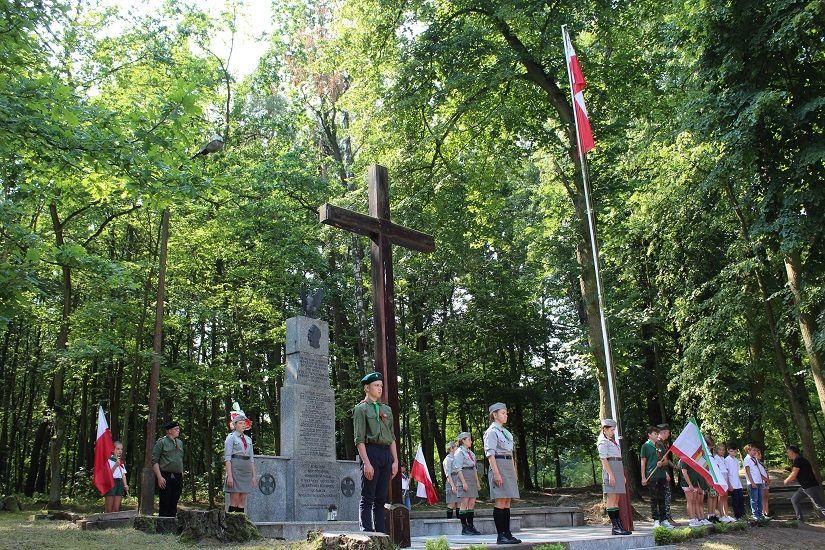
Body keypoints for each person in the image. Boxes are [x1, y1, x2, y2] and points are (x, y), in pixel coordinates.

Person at [353, 371, 398, 534]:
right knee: (368, 497)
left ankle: (381, 534)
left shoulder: (386, 409)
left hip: (386, 454)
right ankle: (366, 531)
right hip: (371, 453)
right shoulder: (361, 409)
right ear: (367, 388)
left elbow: (392, 437)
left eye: (381, 386)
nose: (380, 389)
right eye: (376, 386)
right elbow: (359, 439)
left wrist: (395, 461)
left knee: (381, 498)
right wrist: (366, 463)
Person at [484, 402, 522, 544]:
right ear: (495, 415)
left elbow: (510, 453)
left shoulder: (505, 432)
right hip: (498, 464)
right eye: (503, 413)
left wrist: (514, 471)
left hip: (508, 465)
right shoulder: (492, 432)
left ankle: (507, 533)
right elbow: (490, 454)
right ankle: (501, 536)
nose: (506, 415)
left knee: (507, 501)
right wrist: (496, 473)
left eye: (506, 413)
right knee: (500, 500)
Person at [597, 418, 631, 536]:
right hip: (610, 470)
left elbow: (618, 459)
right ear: (604, 430)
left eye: (614, 429)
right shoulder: (603, 442)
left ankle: (619, 526)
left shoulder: (611, 441)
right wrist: (611, 475)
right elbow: (604, 459)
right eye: (611, 430)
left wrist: (621, 474)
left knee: (616, 500)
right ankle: (615, 526)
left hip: (617, 469)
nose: (613, 432)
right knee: (611, 500)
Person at [223, 412, 256, 514]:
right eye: (241, 423)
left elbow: (251, 459)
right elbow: (227, 457)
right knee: (235, 500)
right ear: (235, 424)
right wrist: (229, 475)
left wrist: (254, 476)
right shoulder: (231, 437)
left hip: (246, 471)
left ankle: (240, 526)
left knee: (242, 501)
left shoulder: (248, 439)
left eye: (244, 423)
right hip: (235, 469)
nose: (243, 425)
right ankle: (231, 526)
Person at [783, 445, 825, 522]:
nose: (787, 454)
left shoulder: (798, 460)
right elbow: (812, 472)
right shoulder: (802, 459)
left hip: (810, 486)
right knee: (794, 499)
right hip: (805, 487)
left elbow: (794, 474)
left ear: (792, 452)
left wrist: (786, 481)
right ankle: (800, 519)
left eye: (788, 452)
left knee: (820, 506)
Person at [152, 420, 184, 517]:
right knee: (165, 501)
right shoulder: (161, 442)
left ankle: (172, 525)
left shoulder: (179, 442)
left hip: (177, 475)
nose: (178, 431)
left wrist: (181, 472)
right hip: (165, 475)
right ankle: (162, 527)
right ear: (169, 431)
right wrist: (159, 477)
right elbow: (154, 461)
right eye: (176, 429)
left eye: (178, 429)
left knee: (174, 501)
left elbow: (180, 459)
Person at [452, 431, 481, 536]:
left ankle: (471, 526)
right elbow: (458, 469)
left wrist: (477, 482)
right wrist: (463, 482)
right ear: (463, 441)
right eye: (469, 439)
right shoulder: (459, 452)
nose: (471, 441)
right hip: (464, 476)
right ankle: (464, 527)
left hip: (472, 477)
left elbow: (474, 468)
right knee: (464, 503)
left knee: (472, 503)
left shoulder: (471, 453)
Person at [640, 426, 668, 528]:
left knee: (662, 497)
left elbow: (666, 460)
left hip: (661, 475)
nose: (657, 435)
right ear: (649, 435)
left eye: (657, 434)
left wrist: (662, 463)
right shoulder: (645, 446)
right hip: (652, 475)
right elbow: (643, 462)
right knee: (654, 498)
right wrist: (643, 477)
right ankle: (656, 520)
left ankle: (664, 519)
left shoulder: (660, 445)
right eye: (655, 434)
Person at [678, 458, 710, 527]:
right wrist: (690, 484)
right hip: (687, 484)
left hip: (694, 483)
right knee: (690, 501)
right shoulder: (684, 459)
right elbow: (684, 472)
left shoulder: (693, 458)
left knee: (694, 501)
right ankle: (692, 519)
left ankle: (696, 518)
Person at [656, 423, 676, 526]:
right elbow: (659, 460)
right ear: (663, 432)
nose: (668, 435)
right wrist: (665, 473)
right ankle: (665, 518)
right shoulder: (658, 444)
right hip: (661, 473)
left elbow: (666, 459)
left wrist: (674, 466)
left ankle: (667, 517)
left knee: (667, 495)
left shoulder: (663, 443)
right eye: (668, 433)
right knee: (665, 495)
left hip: (665, 471)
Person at [712, 443, 735, 522]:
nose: (722, 451)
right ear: (717, 450)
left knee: (725, 497)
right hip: (721, 480)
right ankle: (721, 515)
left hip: (725, 479)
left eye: (723, 450)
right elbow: (717, 470)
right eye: (720, 450)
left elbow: (726, 471)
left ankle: (726, 515)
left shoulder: (723, 458)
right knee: (721, 497)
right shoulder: (716, 458)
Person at [104, 441, 128, 513]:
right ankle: (106, 522)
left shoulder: (121, 461)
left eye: (121, 449)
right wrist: (115, 465)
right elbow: (108, 475)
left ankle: (114, 522)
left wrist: (125, 484)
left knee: (116, 509)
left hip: (119, 482)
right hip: (111, 482)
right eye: (118, 449)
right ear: (113, 449)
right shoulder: (109, 460)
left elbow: (123, 474)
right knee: (109, 508)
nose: (120, 451)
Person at [743, 444, 765, 520]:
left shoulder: (755, 459)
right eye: (753, 450)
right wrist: (752, 482)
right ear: (748, 451)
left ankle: (760, 514)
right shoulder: (747, 459)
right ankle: (755, 515)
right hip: (753, 483)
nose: (755, 452)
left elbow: (758, 470)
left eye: (756, 450)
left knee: (759, 499)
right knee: (754, 499)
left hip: (759, 481)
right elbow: (747, 472)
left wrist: (764, 479)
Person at [725, 442, 745, 520]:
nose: (733, 453)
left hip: (738, 483)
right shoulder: (727, 460)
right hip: (732, 483)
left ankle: (742, 515)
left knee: (741, 499)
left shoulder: (736, 460)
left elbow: (737, 472)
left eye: (735, 451)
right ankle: (737, 516)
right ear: (728, 451)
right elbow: (727, 473)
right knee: (735, 501)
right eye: (731, 451)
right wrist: (729, 484)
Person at [443, 440, 458, 518]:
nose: (457, 448)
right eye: (456, 447)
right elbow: (448, 474)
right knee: (451, 502)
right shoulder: (447, 460)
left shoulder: (457, 458)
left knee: (459, 502)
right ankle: (449, 521)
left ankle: (460, 521)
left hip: (458, 480)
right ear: (451, 449)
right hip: (451, 481)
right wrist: (452, 486)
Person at [756, 447, 770, 519]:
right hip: (761, 482)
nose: (760, 455)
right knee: (762, 498)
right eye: (758, 454)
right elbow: (758, 473)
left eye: (760, 454)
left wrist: (768, 479)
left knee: (766, 497)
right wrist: (765, 479)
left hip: (766, 482)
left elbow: (766, 471)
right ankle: (762, 513)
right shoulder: (755, 464)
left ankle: (766, 512)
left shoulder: (762, 463)